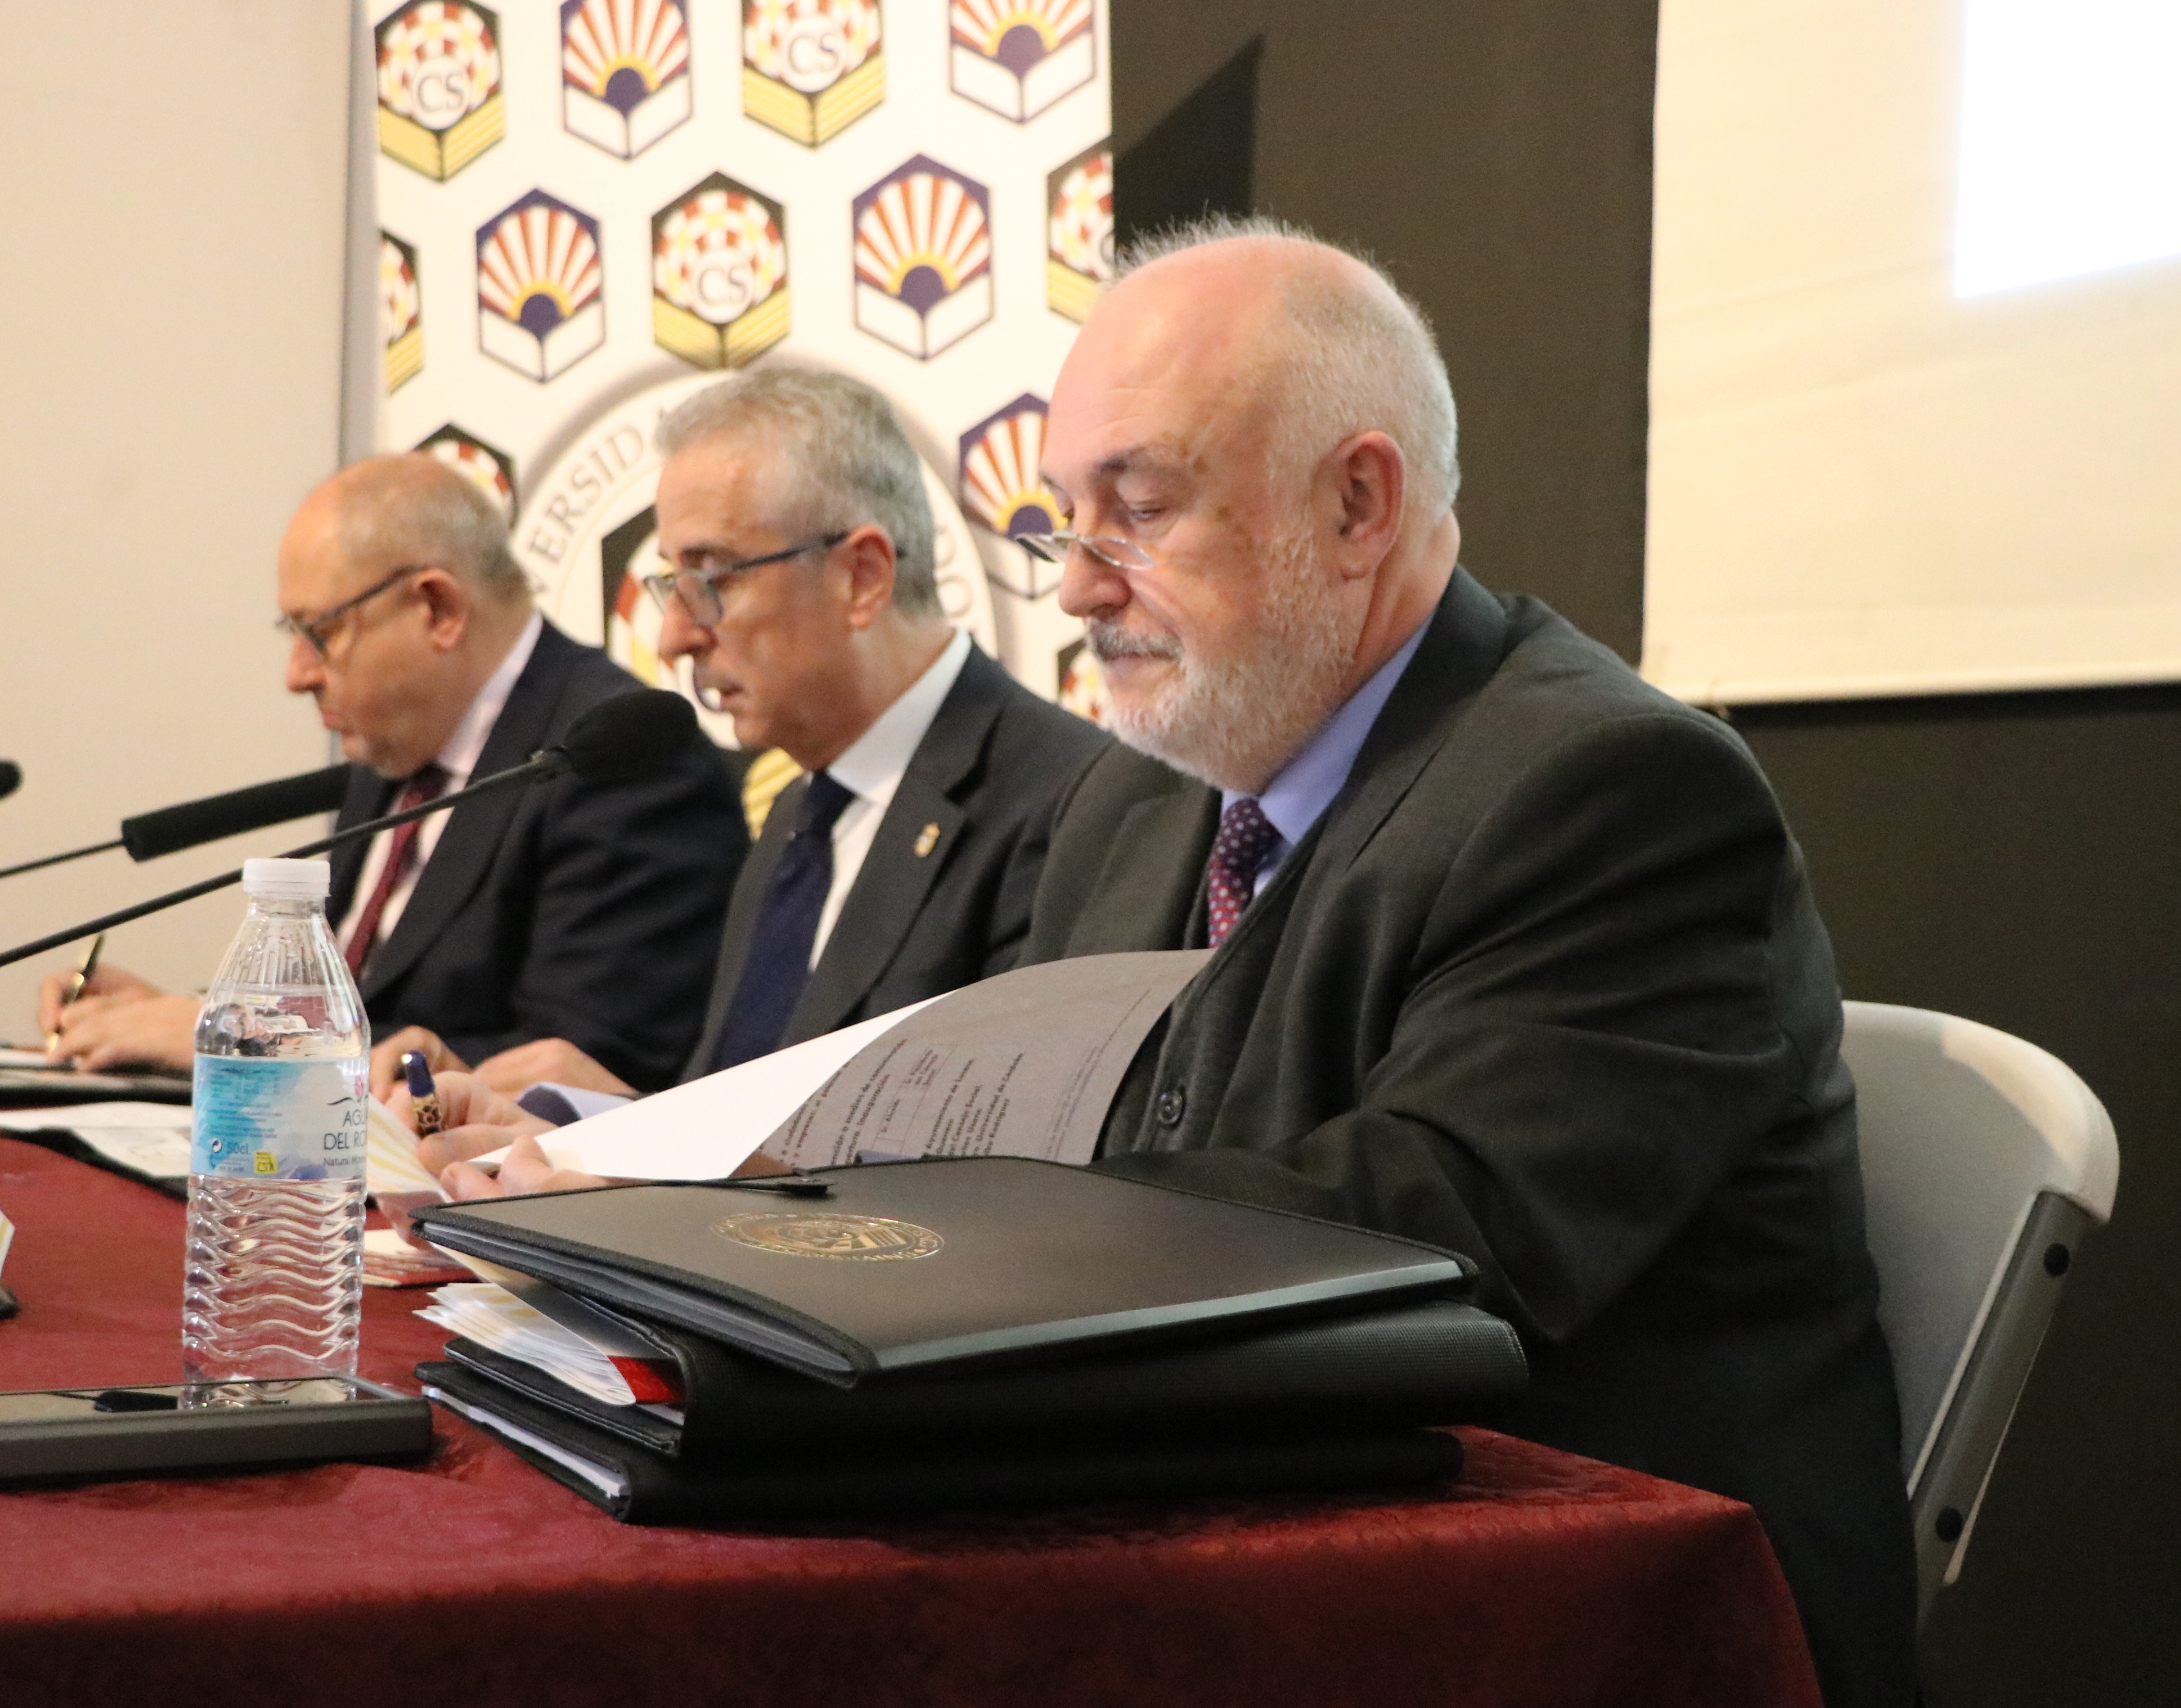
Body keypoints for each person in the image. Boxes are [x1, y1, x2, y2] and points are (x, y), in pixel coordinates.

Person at [402, 224, 1914, 1707]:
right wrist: (693, 1195)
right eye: (1066, 520)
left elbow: (1420, 1237)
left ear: (1358, 503)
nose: (1075, 587)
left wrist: (770, 1221)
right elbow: (1056, 1149)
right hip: (1241, 1537)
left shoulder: (1615, 791)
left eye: (1138, 512)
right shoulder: (1138, 796)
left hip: (1575, 1622)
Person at [371, 368, 1107, 1103]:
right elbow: (744, 1128)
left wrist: (636, 1145)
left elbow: (984, 1166)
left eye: (713, 578)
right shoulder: (797, 816)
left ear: (861, 576)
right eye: (673, 585)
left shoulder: (1073, 806)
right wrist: (581, 1118)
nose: (674, 636)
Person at [39, 453, 745, 1094]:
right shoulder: (401, 741)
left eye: (320, 632)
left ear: (435, 609)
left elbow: (568, 1081)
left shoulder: (616, 763)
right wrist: (174, 1020)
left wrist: (232, 1036)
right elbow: (362, 1009)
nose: (297, 675)